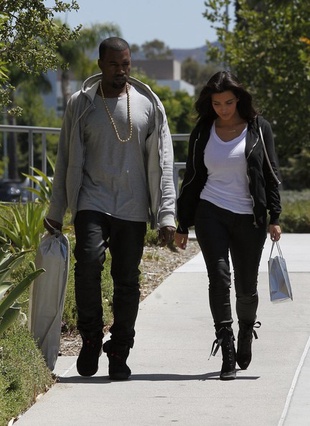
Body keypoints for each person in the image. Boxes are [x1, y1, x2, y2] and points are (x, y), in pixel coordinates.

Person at [44, 37, 176, 380]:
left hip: (132, 206)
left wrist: (166, 215)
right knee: (88, 262)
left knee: (127, 281)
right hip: (92, 200)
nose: (121, 71)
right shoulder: (81, 104)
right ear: (101, 65)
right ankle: (90, 339)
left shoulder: (148, 105)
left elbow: (163, 163)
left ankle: (119, 350)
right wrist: (57, 208)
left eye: (126, 64)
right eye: (115, 65)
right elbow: (65, 159)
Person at [175, 71, 281, 381]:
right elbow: (192, 178)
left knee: (246, 287)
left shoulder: (259, 129)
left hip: (249, 218)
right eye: (217, 103)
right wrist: (184, 222)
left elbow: (271, 173)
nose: (223, 109)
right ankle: (227, 346)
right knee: (219, 278)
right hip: (211, 213)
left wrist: (275, 217)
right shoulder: (202, 131)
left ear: (239, 100)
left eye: (229, 102)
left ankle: (246, 329)